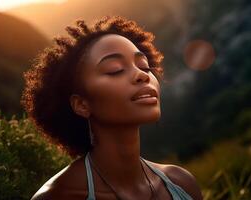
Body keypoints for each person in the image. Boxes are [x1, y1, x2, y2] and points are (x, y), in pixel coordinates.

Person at [21, 15, 203, 200]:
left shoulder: (182, 183)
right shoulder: (58, 196)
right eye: (115, 69)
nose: (142, 75)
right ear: (82, 105)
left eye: (145, 66)